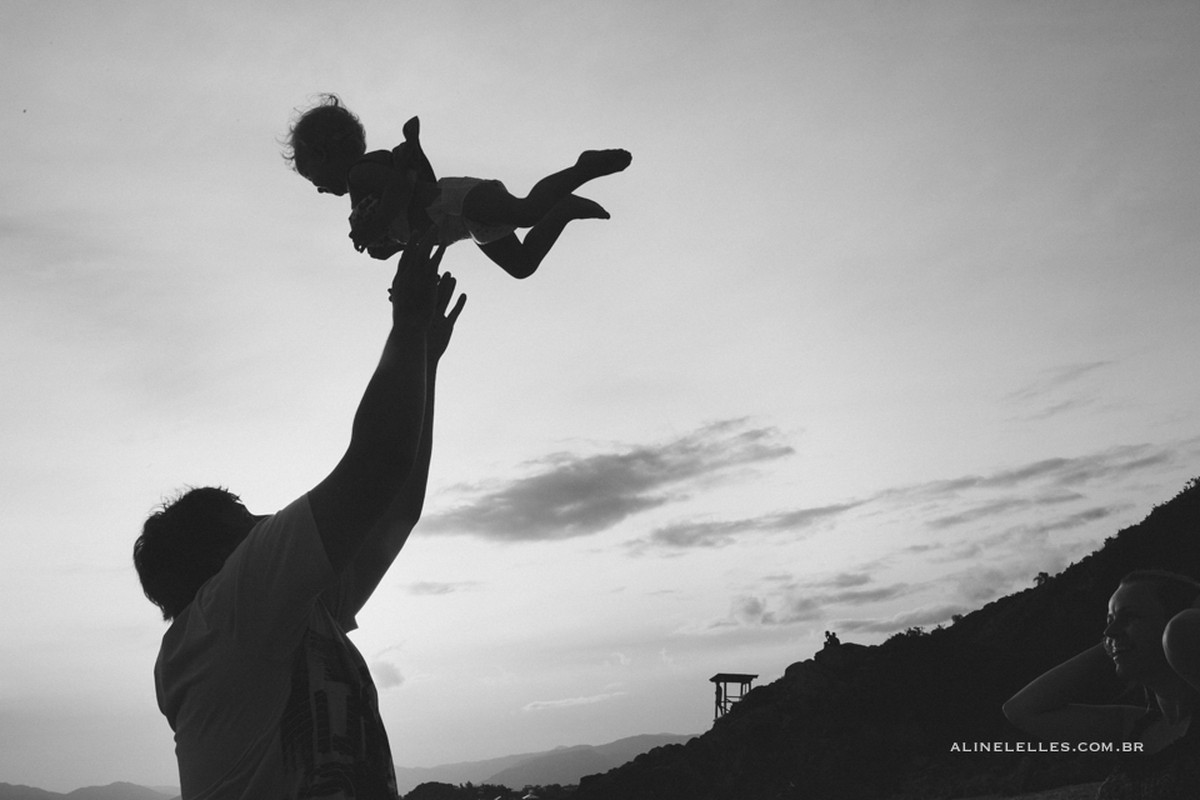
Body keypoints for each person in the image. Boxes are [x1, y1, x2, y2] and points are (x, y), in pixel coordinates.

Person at [133, 230, 466, 799]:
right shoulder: (231, 607)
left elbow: (394, 511)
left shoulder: (280, 620)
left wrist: (424, 361)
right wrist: (405, 327)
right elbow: (376, 465)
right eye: (244, 519)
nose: (264, 521)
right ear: (218, 555)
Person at [283, 93, 632, 278]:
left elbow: (403, 190)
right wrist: (387, 246)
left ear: (325, 154)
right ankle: (565, 209)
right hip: (459, 223)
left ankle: (582, 168)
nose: (318, 188)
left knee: (526, 213)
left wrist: (375, 224)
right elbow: (412, 215)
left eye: (313, 176)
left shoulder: (361, 174)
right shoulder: (365, 190)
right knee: (522, 265)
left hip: (458, 201)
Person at [1002, 570, 1200, 798]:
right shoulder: (1132, 730)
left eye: (1130, 617)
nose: (1108, 631)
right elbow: (1021, 710)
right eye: (1109, 621)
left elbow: (1181, 630)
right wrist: (1117, 644)